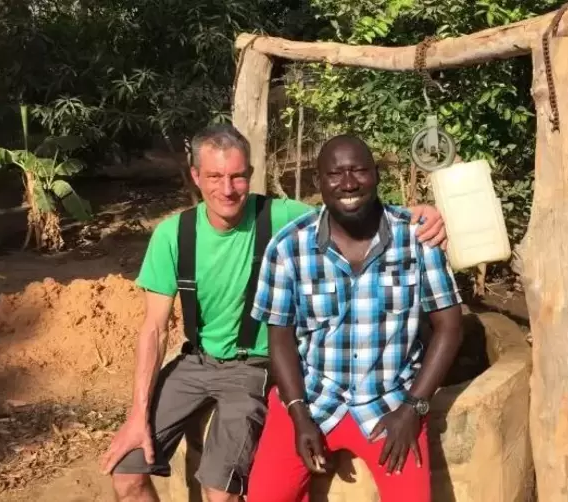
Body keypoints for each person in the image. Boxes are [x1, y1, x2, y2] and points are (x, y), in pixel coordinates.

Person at [98, 123, 449, 502]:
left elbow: (349, 205)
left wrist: (419, 215)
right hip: (197, 363)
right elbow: (154, 329)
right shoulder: (173, 235)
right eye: (215, 176)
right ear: (196, 176)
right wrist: (138, 415)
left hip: (254, 365)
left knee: (220, 489)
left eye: (237, 176)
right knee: (126, 474)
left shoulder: (280, 218)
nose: (227, 189)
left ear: (250, 175)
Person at [246, 134, 464, 502]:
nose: (348, 183)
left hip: (390, 402)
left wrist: (413, 408)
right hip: (313, 398)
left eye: (359, 170)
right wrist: (298, 415)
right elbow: (279, 336)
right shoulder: (289, 247)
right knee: (266, 496)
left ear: (376, 175)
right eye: (335, 174)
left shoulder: (416, 239)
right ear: (319, 182)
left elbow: (450, 326)